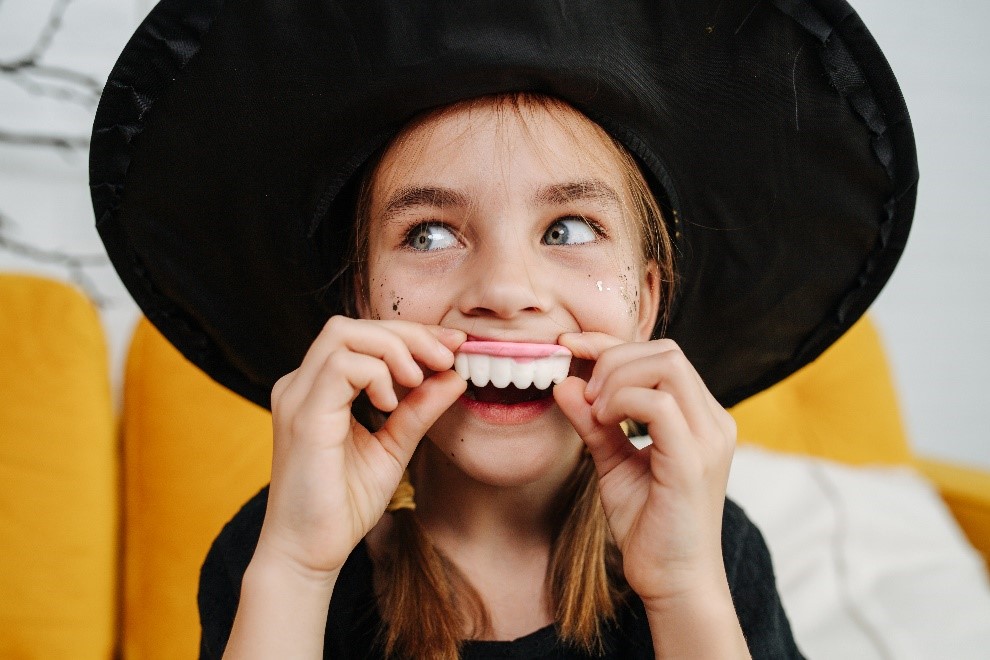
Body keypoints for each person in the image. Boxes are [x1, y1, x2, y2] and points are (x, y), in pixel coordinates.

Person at [90, 1, 917, 658]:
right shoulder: (275, 552)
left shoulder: (713, 552)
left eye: (567, 228)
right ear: (362, 306)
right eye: (429, 234)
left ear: (646, 303)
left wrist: (684, 589)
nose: (505, 290)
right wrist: (298, 571)